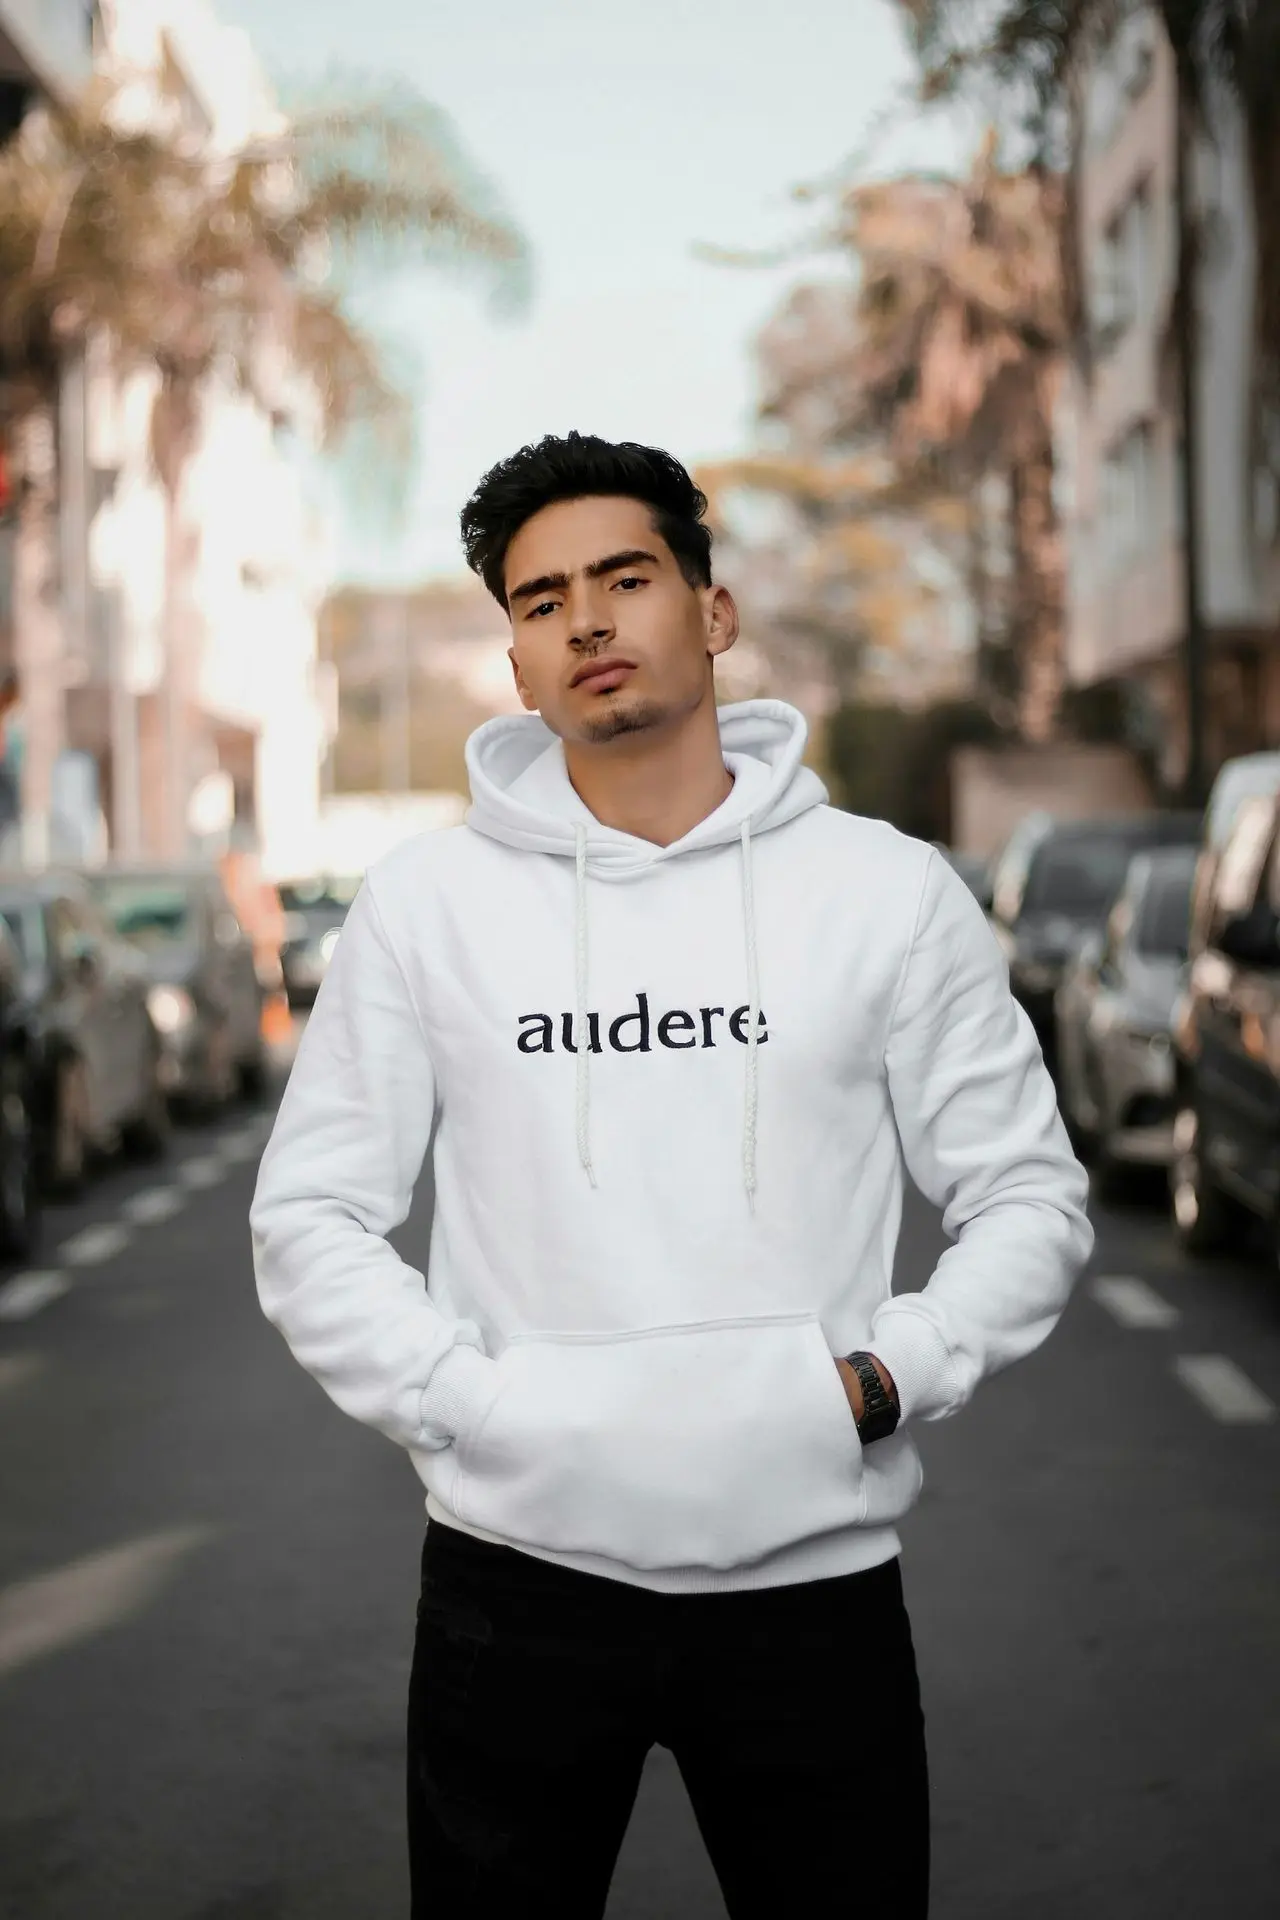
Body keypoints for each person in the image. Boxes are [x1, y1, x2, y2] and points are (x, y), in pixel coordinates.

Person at [250, 432, 1094, 1919]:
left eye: (625, 577)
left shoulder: (884, 894)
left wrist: (888, 1378)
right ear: (513, 660)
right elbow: (312, 1215)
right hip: (517, 1575)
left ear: (711, 609)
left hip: (807, 1578)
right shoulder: (425, 907)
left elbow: (1026, 1195)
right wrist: (470, 1406)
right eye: (539, 599)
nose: (585, 621)